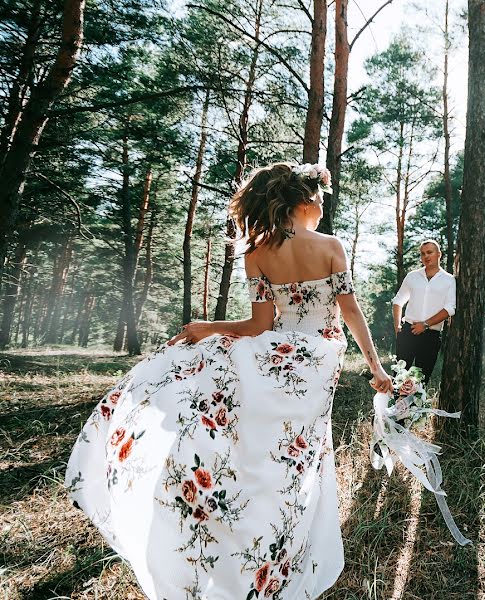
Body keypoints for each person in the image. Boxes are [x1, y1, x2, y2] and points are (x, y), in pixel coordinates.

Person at [65, 162, 393, 600]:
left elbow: (259, 326)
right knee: (300, 453)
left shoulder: (257, 252)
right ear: (303, 199)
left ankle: (235, 530)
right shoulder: (331, 245)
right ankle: (280, 548)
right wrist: (376, 368)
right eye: (319, 198)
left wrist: (209, 328)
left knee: (260, 446)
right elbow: (351, 314)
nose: (321, 206)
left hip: (278, 352)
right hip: (317, 361)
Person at [391, 240, 456, 384]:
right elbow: (398, 301)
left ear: (439, 254)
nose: (426, 256)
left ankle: (415, 407)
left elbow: (450, 308)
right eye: (422, 254)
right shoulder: (412, 276)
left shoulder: (449, 280)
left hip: (430, 337)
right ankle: (396, 406)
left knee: (419, 382)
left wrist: (425, 324)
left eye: (430, 252)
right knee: (398, 378)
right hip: (408, 333)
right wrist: (398, 328)